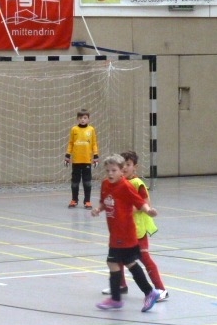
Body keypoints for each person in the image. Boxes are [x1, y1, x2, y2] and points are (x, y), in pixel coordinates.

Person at [91, 154, 161, 312]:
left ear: (121, 171)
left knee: (114, 262)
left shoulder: (126, 186)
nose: (110, 173)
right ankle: (146, 293)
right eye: (108, 170)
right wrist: (98, 209)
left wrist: (149, 211)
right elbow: (104, 201)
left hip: (125, 233)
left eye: (114, 170)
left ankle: (120, 298)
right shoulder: (105, 184)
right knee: (127, 263)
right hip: (115, 232)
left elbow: (140, 202)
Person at [64, 109, 99, 209]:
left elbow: (94, 144)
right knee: (75, 182)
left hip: (87, 161)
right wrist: (67, 155)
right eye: (80, 118)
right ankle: (74, 200)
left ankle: (87, 201)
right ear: (77, 119)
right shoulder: (74, 129)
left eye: (85, 118)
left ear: (88, 119)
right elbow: (71, 143)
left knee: (87, 182)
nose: (82, 120)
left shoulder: (91, 130)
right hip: (76, 161)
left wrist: (96, 156)